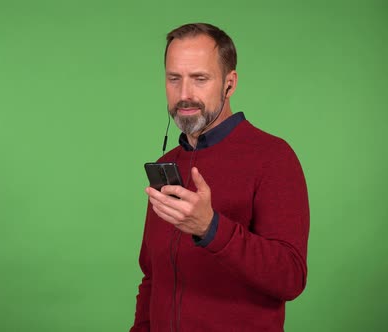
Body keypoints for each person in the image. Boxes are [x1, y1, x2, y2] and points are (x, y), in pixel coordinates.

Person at [130, 23, 310, 332]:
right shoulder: (166, 165)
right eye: (174, 79)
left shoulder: (273, 157)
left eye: (200, 79)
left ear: (230, 83)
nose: (184, 94)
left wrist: (210, 228)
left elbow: (290, 278)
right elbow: (152, 277)